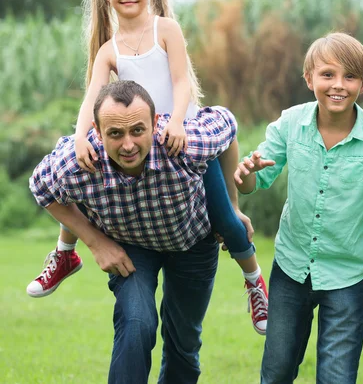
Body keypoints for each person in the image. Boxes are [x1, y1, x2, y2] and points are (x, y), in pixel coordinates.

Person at [25, 0, 267, 334]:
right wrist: (77, 137)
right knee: (76, 169)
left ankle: (254, 280)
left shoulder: (165, 29)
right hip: (137, 132)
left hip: (179, 140)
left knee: (225, 220)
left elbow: (181, 81)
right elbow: (92, 97)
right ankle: (65, 253)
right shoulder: (109, 49)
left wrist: (178, 123)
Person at [234, 33, 363, 384]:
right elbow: (257, 179)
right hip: (291, 268)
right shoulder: (291, 122)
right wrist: (245, 175)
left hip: (347, 276)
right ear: (309, 79)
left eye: (349, 77)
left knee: (337, 378)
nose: (338, 85)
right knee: (276, 373)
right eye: (327, 75)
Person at [30, 80, 240, 383]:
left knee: (184, 343)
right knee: (136, 323)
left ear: (155, 124)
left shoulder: (184, 144)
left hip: (192, 241)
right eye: (115, 133)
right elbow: (40, 186)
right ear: (97, 132)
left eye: (137, 131)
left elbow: (228, 123)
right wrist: (95, 242)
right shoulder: (80, 161)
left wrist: (232, 206)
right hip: (130, 249)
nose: (128, 145)